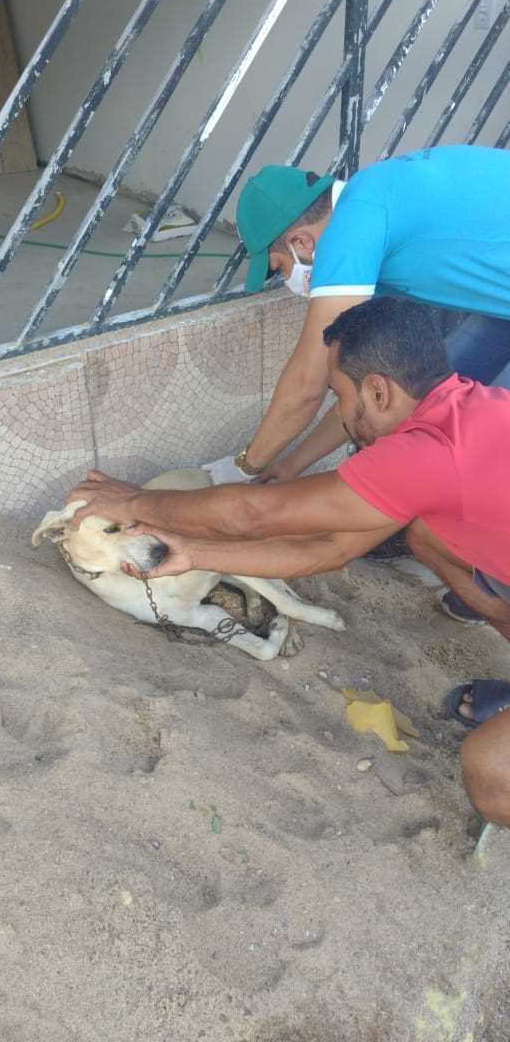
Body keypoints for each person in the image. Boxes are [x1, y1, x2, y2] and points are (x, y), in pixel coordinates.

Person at [68, 298, 510, 826]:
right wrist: (195, 554)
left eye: (340, 398)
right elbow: (330, 549)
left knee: (490, 771)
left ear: (377, 391)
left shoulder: (423, 456)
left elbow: (252, 514)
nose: (344, 418)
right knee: (427, 535)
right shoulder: (475, 407)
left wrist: (134, 504)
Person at [204, 144, 510, 624]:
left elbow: (310, 381)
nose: (289, 278)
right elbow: (361, 392)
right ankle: (481, 576)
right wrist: (292, 465)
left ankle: (491, 578)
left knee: (472, 444)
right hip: (501, 308)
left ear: (302, 242)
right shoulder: (378, 217)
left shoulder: (354, 225)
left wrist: (245, 466)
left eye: (280, 267)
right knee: (436, 408)